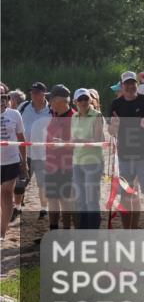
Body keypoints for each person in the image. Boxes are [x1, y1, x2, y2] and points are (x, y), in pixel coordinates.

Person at [108, 71, 144, 230]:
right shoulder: (116, 104)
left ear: (136, 84)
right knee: (127, 195)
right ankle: (129, 231)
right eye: (127, 84)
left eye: (133, 83)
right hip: (124, 156)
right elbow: (111, 131)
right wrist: (114, 126)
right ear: (122, 86)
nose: (130, 86)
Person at [70, 88, 105, 230]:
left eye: (86, 98)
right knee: (80, 200)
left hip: (93, 162)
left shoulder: (97, 115)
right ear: (75, 102)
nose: (84, 101)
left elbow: (97, 139)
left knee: (91, 200)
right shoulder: (74, 117)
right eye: (80, 99)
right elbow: (73, 139)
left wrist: (77, 141)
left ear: (90, 100)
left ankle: (93, 232)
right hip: (77, 161)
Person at [44, 85, 76, 232]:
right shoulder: (54, 115)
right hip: (51, 164)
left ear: (60, 100)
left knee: (66, 200)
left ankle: (66, 231)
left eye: (51, 99)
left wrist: (62, 144)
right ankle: (53, 231)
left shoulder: (74, 117)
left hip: (68, 166)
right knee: (52, 199)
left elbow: (80, 144)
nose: (49, 102)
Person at [19, 82, 51, 220]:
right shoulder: (24, 106)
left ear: (44, 94)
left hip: (44, 154)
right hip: (24, 152)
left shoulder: (51, 109)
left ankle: (44, 209)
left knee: (43, 183)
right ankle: (18, 206)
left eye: (36, 92)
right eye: (31, 92)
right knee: (21, 181)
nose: (33, 94)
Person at [0, 84, 27, 239]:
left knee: (6, 192)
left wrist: (24, 163)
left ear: (7, 97)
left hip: (11, 161)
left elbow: (21, 139)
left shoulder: (15, 114)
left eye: (2, 95)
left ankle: (2, 231)